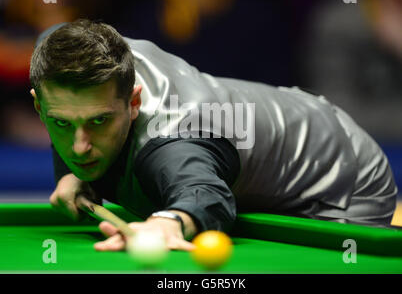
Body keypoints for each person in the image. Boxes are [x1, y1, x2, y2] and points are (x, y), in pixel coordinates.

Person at [29, 19, 398, 252]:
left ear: (133, 102)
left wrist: (168, 222)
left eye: (98, 122)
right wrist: (71, 174)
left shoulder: (173, 141)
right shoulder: (66, 63)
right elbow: (73, 106)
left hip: (340, 177)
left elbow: (206, 195)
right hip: (267, 149)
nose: (79, 145)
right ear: (39, 106)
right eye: (61, 124)